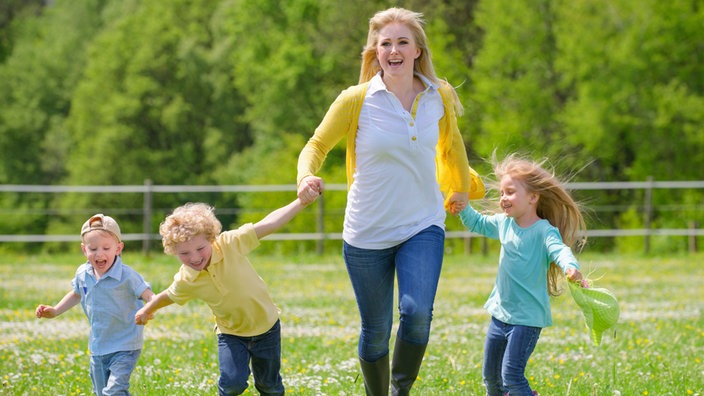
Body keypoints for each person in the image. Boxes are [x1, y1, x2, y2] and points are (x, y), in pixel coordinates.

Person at [296, 7, 484, 396]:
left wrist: (462, 188)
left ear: (417, 51)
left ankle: (400, 390)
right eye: (386, 44)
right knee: (376, 330)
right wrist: (306, 176)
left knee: (417, 314)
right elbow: (316, 145)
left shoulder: (439, 95)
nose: (394, 50)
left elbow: (452, 147)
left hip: (423, 224)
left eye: (403, 42)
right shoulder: (357, 100)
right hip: (367, 233)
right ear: (375, 52)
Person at [134, 191, 319, 396]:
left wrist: (301, 202)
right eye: (184, 253)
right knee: (232, 384)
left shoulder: (230, 243)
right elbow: (169, 295)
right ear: (173, 252)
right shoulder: (187, 278)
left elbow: (269, 224)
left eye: (200, 248)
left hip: (267, 327)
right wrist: (147, 310)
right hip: (231, 334)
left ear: (211, 238)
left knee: (269, 386)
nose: (194, 258)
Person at [458, 153, 587, 396]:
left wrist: (570, 267)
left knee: (512, 377)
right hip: (500, 315)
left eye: (509, 192)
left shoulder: (543, 231)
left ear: (533, 197)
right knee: (491, 379)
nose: (503, 198)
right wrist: (463, 205)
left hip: (526, 320)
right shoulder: (503, 223)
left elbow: (559, 250)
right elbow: (477, 223)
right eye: (501, 193)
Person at [35, 214, 154, 396]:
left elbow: (150, 296)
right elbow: (76, 294)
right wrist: (56, 310)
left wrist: (148, 310)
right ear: (84, 249)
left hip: (126, 345)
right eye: (93, 248)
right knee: (100, 392)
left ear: (118, 248)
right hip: (98, 346)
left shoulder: (128, 276)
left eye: (106, 248)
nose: (99, 253)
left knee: (114, 391)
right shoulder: (83, 273)